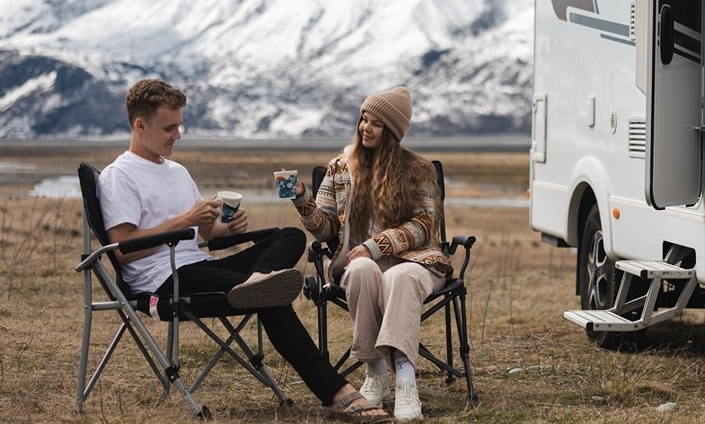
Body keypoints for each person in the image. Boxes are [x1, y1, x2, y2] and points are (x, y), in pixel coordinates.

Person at [98, 78, 390, 423]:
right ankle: (338, 393)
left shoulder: (177, 172)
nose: (177, 134)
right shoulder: (119, 176)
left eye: (179, 125)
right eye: (169, 127)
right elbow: (124, 251)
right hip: (163, 281)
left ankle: (255, 282)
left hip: (198, 264)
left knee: (290, 237)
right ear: (140, 125)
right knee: (269, 297)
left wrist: (227, 228)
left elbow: (207, 233)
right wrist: (185, 219)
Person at [291, 87, 451, 422]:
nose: (366, 127)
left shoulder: (418, 169)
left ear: (392, 132)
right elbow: (325, 230)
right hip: (359, 262)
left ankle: (406, 381)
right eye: (364, 118)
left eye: (376, 123)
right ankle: (375, 370)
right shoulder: (339, 168)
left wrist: (376, 245)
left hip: (416, 261)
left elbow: (425, 224)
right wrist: (302, 200)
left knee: (399, 275)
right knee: (363, 269)